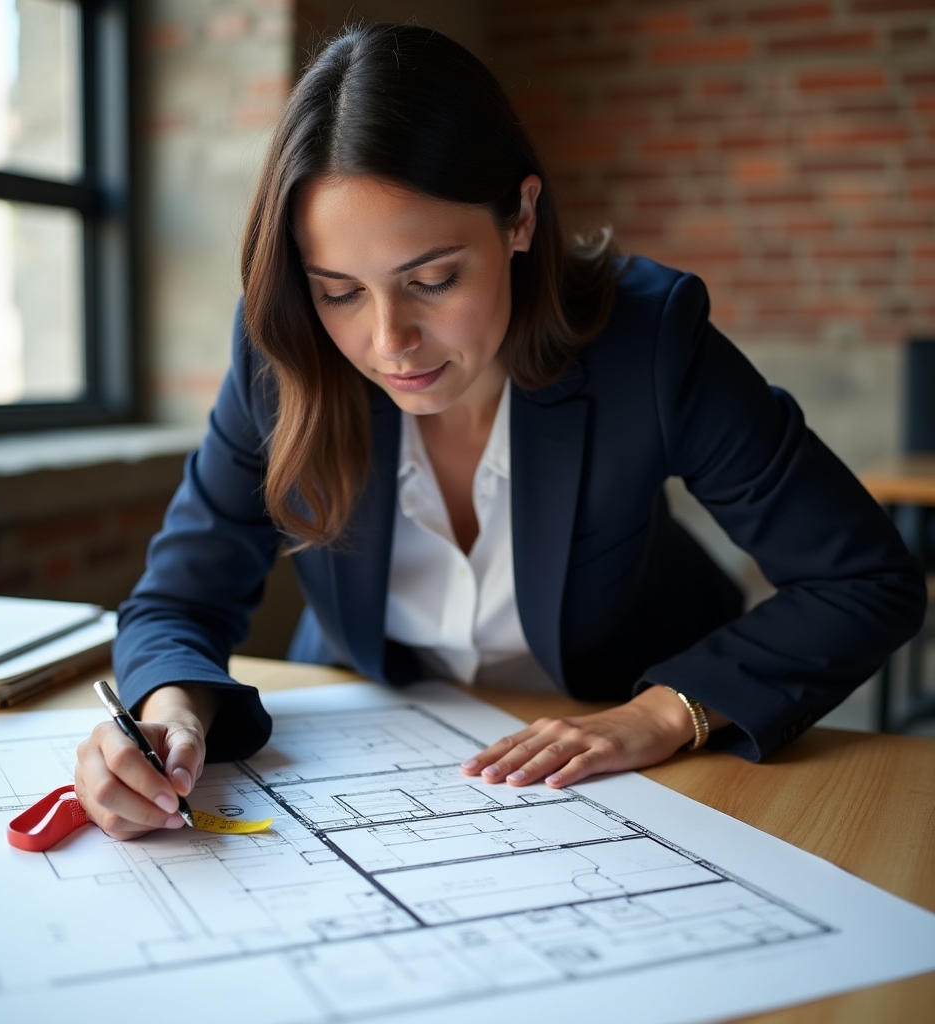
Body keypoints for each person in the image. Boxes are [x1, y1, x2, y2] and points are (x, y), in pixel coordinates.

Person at [74, 23, 925, 840]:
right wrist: (169, 716)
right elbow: (181, 597)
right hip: (377, 760)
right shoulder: (285, 353)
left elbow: (863, 581)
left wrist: (662, 714)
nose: (387, 342)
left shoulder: (649, 342)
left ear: (520, 217)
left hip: (644, 770)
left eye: (433, 279)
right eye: (339, 290)